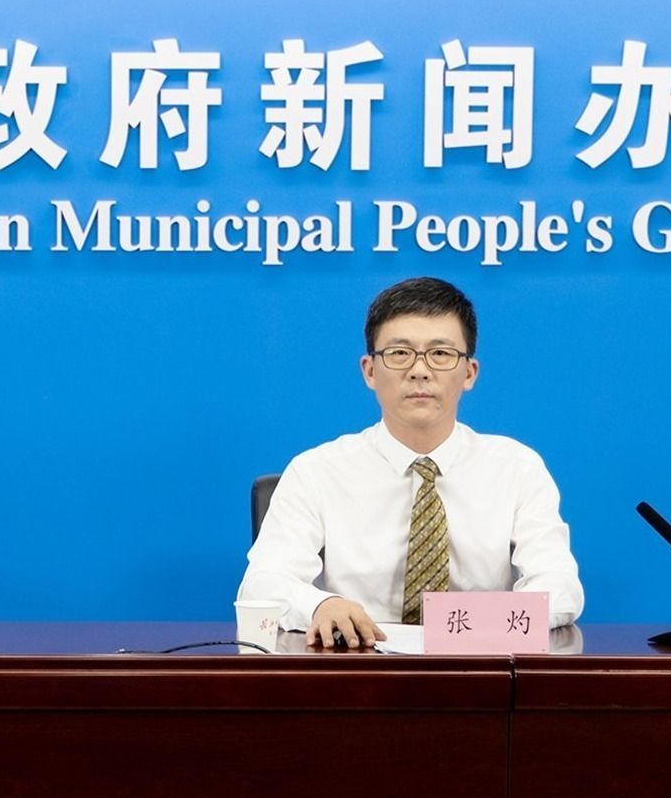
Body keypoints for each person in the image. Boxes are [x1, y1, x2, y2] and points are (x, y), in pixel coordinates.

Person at [240, 276, 582, 648]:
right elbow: (262, 583)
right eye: (400, 353)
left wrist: (465, 627)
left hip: (478, 664)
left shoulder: (517, 469)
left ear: (469, 373)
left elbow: (560, 587)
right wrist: (321, 605)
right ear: (370, 371)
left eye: (441, 354)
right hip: (354, 665)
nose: (420, 370)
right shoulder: (316, 471)